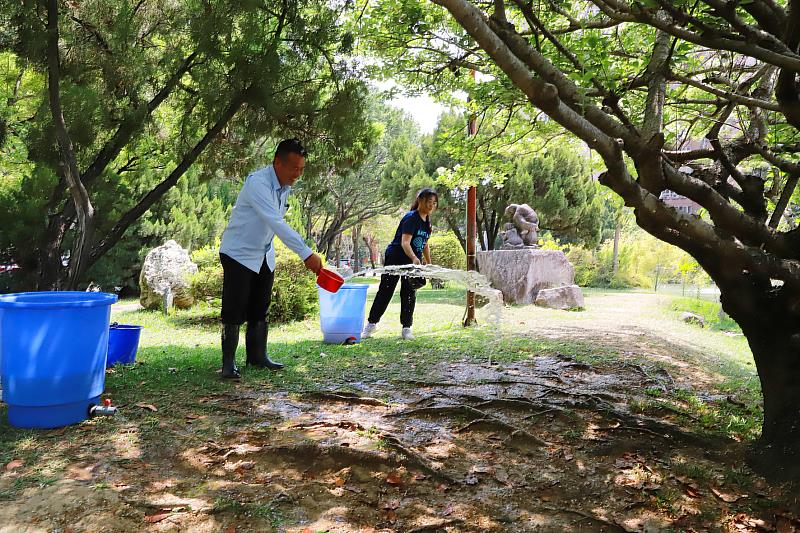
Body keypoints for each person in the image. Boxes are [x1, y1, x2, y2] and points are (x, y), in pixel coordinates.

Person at [218, 138, 323, 379]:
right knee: (234, 309)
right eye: (293, 168)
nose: (297, 174)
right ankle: (228, 363)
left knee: (260, 307)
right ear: (277, 162)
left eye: (301, 169)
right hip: (239, 253)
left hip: (264, 253)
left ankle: (258, 356)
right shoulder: (258, 183)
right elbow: (276, 221)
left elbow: (274, 224)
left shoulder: (284, 188)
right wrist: (306, 253)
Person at [362, 188, 438, 340]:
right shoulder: (411, 218)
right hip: (396, 257)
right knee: (386, 291)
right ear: (420, 201)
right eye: (429, 202)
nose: (431, 205)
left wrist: (428, 263)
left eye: (434, 203)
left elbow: (424, 244)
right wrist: (415, 259)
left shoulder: (427, 224)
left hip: (412, 260)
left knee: (409, 293)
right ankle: (370, 325)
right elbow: (405, 243)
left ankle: (406, 328)